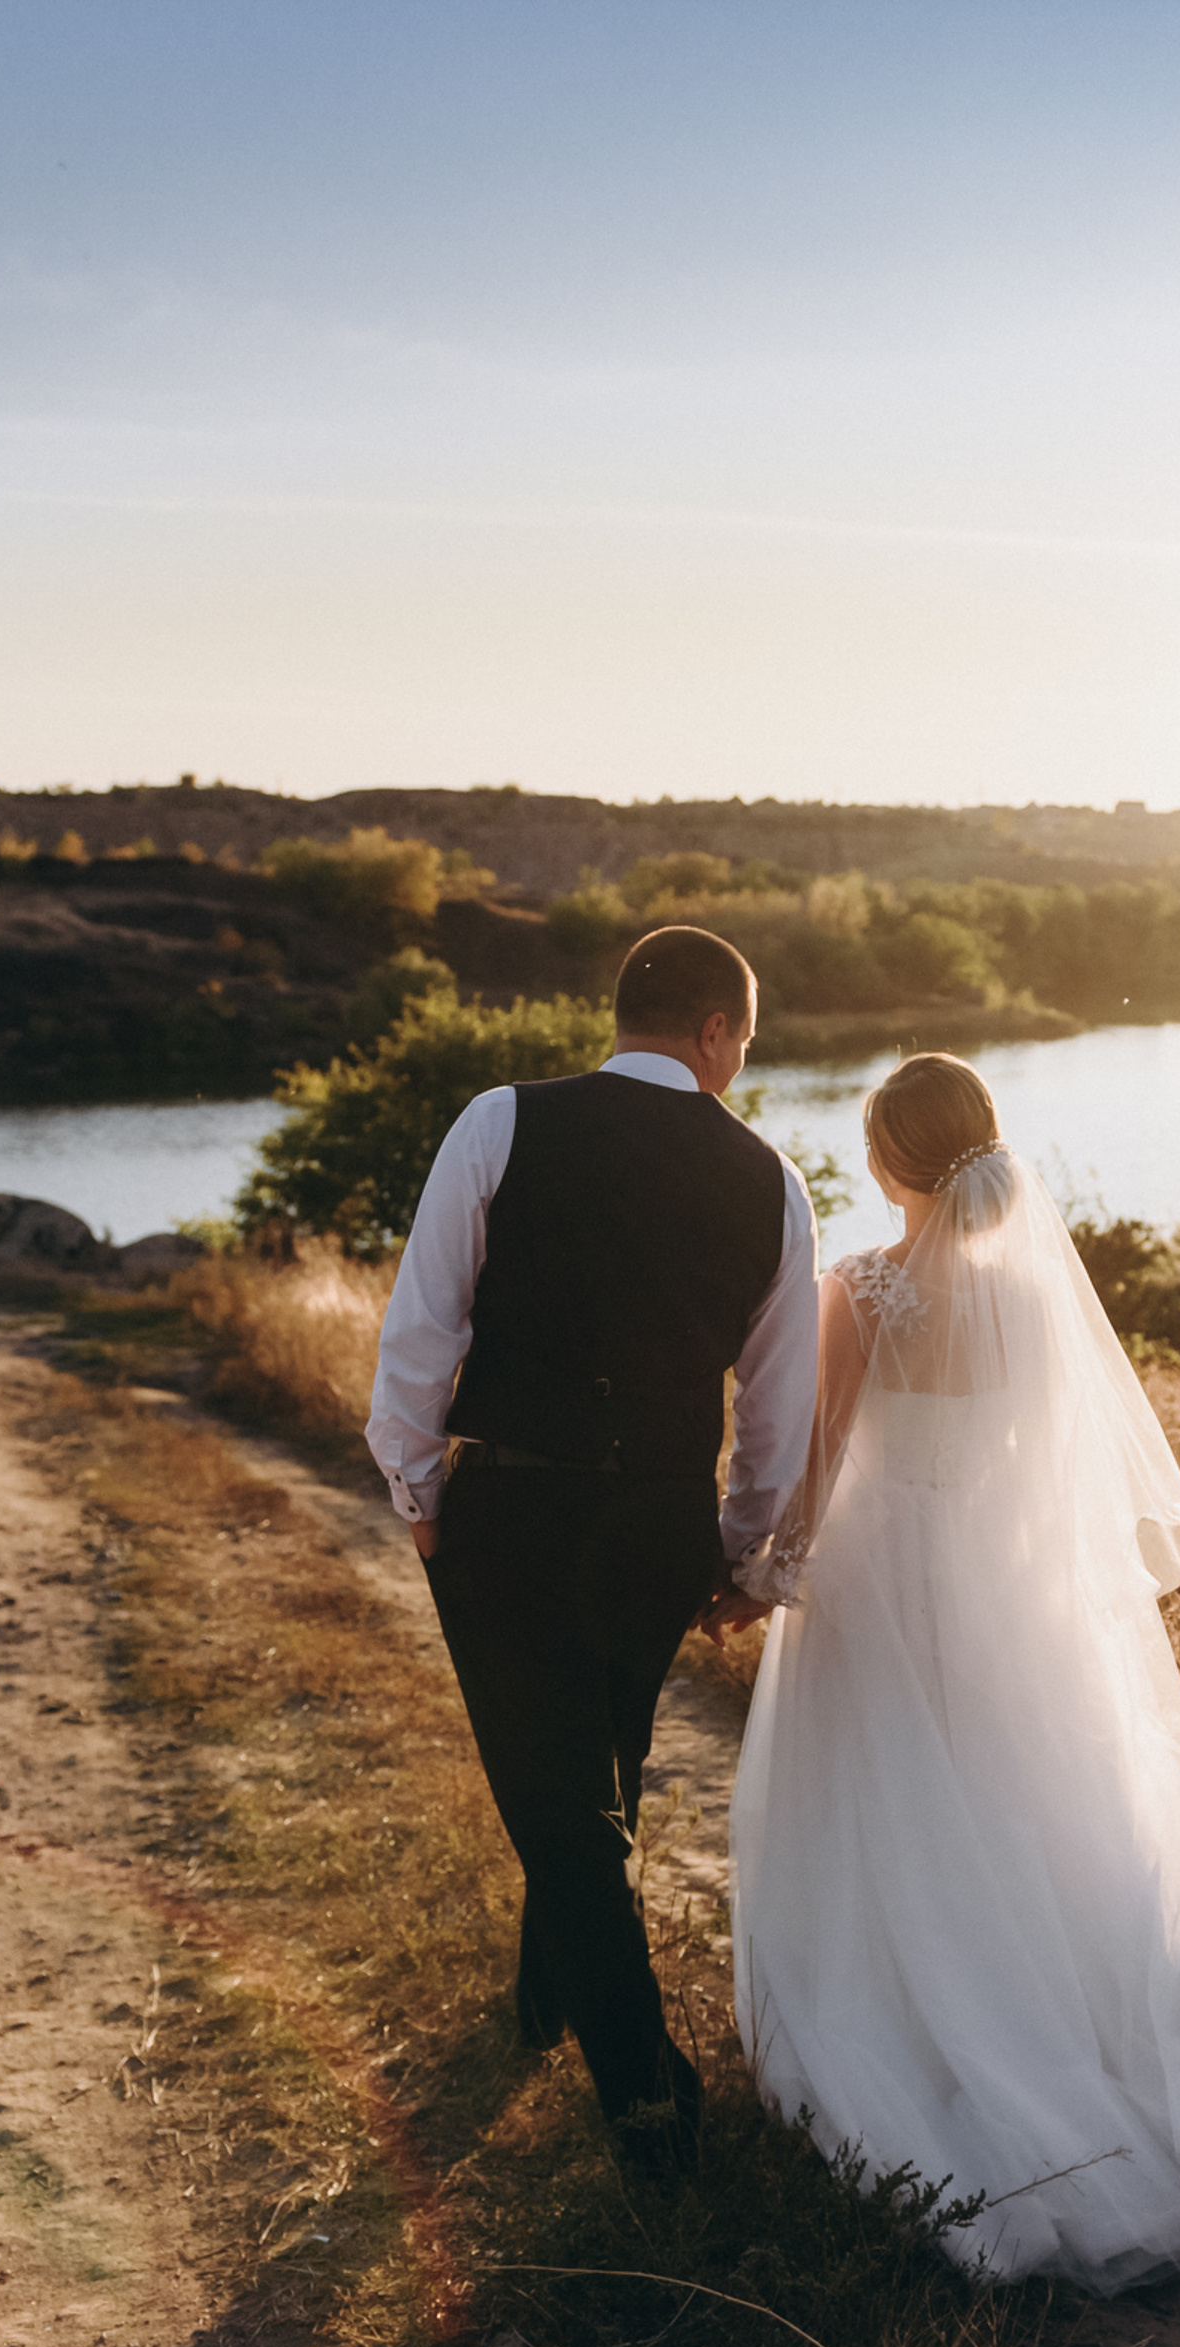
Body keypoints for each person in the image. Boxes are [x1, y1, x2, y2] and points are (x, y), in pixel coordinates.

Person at [728, 1054, 1180, 2296]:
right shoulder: (1033, 1303)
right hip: (1006, 1586)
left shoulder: (860, 1289)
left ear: (884, 1162)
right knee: (1033, 1808)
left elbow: (815, 1461)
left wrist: (771, 1565)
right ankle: (1093, 2049)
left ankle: (936, 2050)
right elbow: (1052, 1473)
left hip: (882, 1583)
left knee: (891, 1813)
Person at [366, 924, 819, 2174]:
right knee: (584, 1776)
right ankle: (543, 2006)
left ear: (625, 1014)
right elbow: (781, 1408)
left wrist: (416, 1486)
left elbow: (424, 1324)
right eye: (745, 1038)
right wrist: (743, 1556)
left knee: (562, 1800)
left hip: (513, 1511)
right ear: (718, 1031)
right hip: (660, 1524)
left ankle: (650, 2102)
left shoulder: (501, 1122)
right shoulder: (772, 1180)